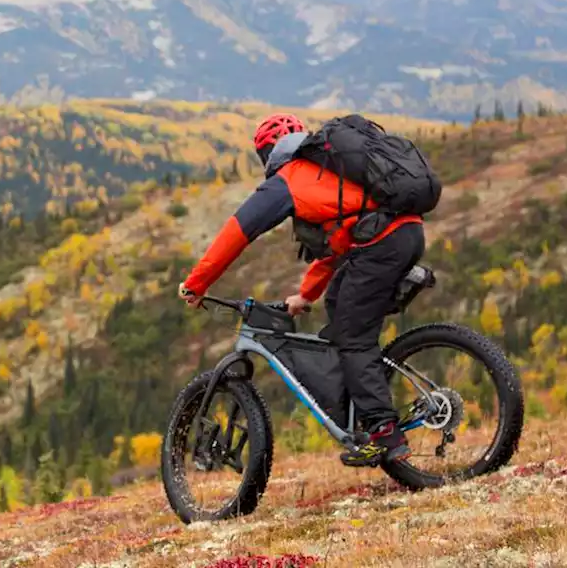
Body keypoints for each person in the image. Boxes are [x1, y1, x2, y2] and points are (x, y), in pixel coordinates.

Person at [177, 113, 426, 467]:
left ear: (267, 155)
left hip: (382, 244)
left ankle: (384, 432)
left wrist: (197, 283)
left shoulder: (289, 180)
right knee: (341, 310)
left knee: (353, 337)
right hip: (405, 234)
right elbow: (341, 242)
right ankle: (363, 412)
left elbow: (237, 232)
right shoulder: (329, 173)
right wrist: (306, 295)